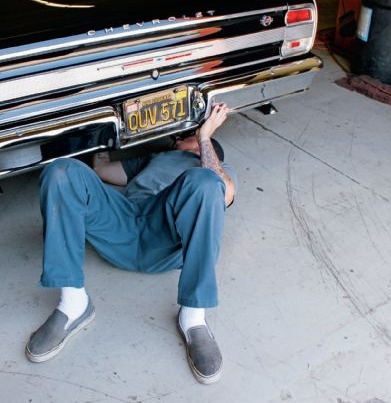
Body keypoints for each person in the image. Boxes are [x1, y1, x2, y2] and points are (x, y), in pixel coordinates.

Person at [26, 103, 236, 384]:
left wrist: (204, 136)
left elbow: (224, 194)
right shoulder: (156, 157)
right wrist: (99, 132)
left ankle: (194, 318)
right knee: (62, 172)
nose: (176, 138)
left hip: (166, 232)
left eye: (183, 136)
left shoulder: (213, 168)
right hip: (123, 220)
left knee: (207, 184)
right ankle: (73, 303)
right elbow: (100, 172)